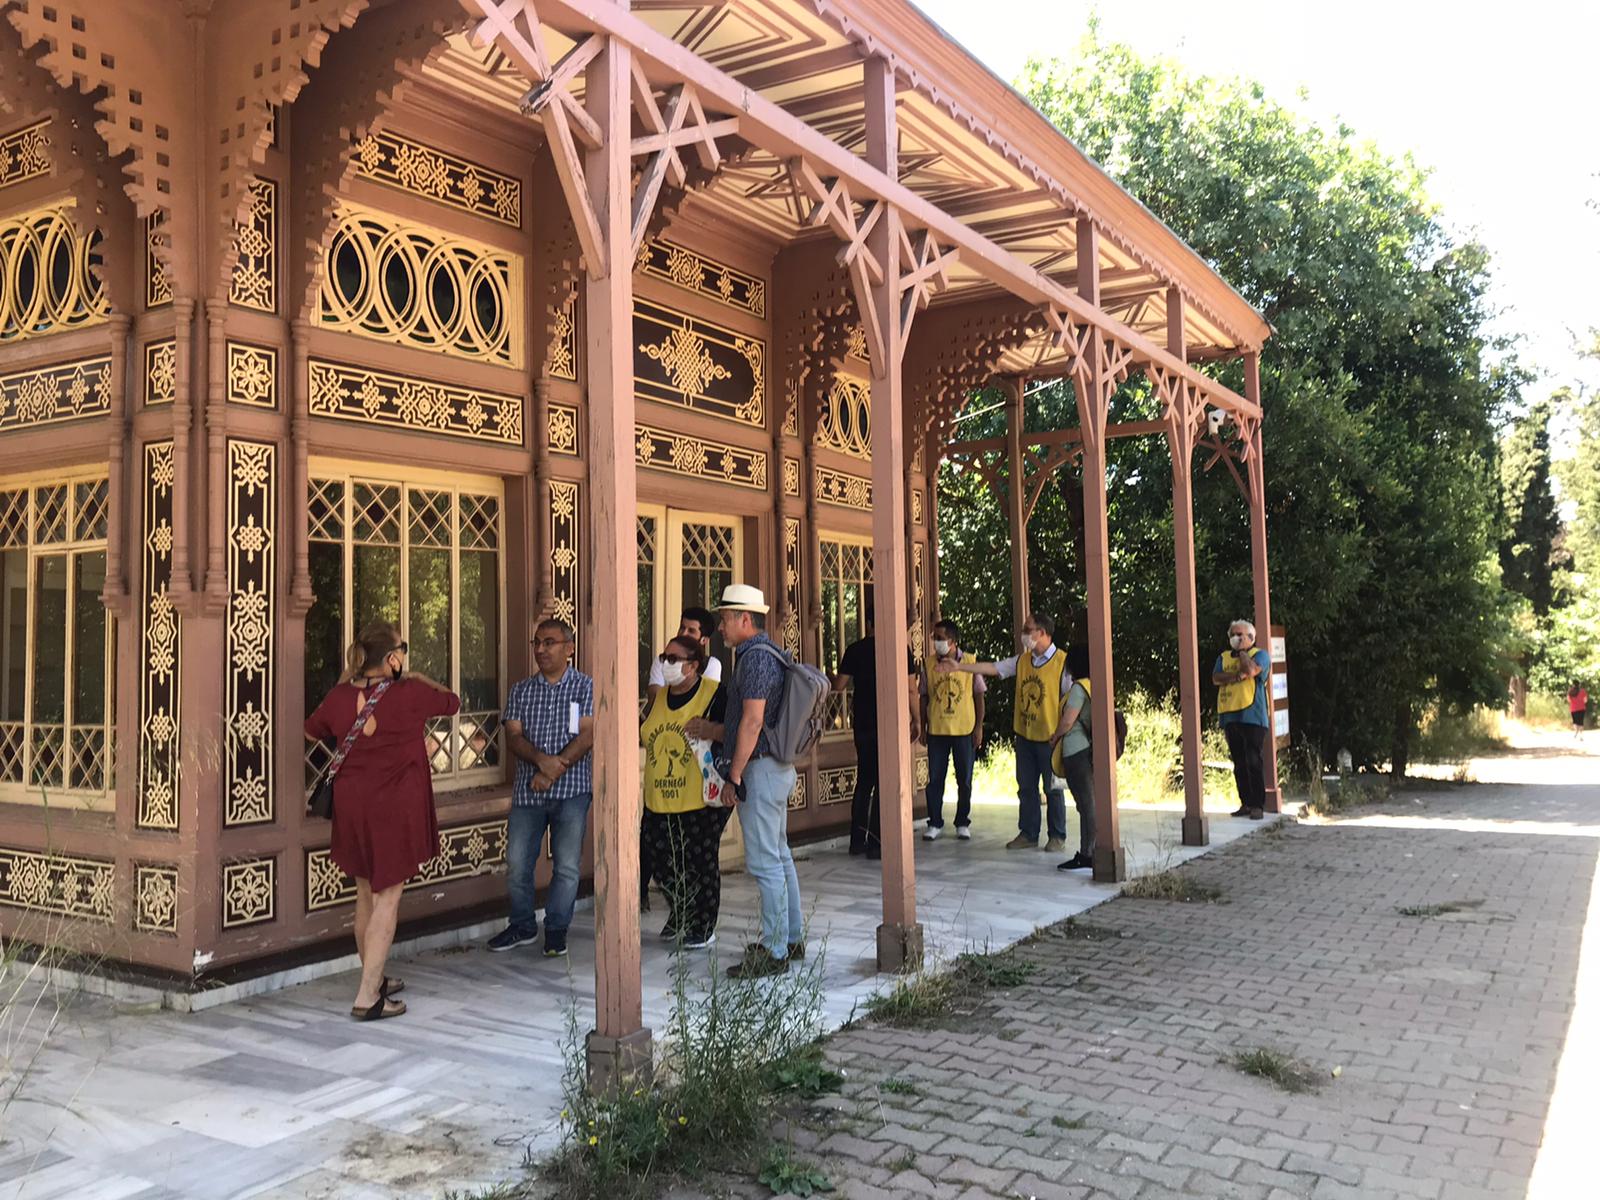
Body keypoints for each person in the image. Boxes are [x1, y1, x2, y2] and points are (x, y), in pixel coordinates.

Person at [304, 622, 461, 1021]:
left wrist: (347, 682)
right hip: (395, 806)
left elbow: (312, 730)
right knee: (387, 898)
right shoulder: (410, 692)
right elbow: (453, 702)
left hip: (353, 806)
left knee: (365, 894)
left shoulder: (340, 696)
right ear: (392, 658)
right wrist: (418, 676)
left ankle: (372, 977)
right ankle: (368, 995)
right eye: (401, 650)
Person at [700, 583, 804, 978]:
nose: (721, 627)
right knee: (780, 855)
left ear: (745, 619)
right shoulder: (767, 653)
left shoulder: (756, 658)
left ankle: (775, 950)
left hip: (759, 769)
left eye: (725, 619)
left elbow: (752, 721)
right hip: (775, 768)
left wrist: (735, 775)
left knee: (765, 863)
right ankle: (790, 939)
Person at [489, 618, 595, 958]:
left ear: (569, 648)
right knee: (518, 863)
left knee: (566, 866)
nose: (540, 649)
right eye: (537, 642)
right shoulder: (521, 690)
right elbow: (513, 736)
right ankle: (522, 925)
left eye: (549, 642)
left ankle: (556, 930)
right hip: (528, 793)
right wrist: (541, 762)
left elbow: (588, 735)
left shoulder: (586, 687)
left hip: (572, 792)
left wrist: (552, 772)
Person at [938, 613, 1073, 851]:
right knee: (1026, 788)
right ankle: (1028, 833)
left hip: (1051, 738)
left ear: (1042, 633)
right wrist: (960, 667)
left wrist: (1063, 732)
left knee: (1053, 788)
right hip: (1025, 735)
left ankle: (1057, 836)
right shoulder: (1022, 660)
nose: (1023, 634)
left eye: (1028, 629)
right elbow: (993, 667)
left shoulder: (1063, 662)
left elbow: (1071, 700)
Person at [640, 634, 732, 949]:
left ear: (693, 666)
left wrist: (712, 730)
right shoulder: (659, 698)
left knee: (700, 862)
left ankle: (703, 925)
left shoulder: (714, 693)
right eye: (664, 658)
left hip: (701, 797)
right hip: (659, 797)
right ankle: (682, 910)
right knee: (658, 859)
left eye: (673, 659)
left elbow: (738, 733)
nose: (666, 664)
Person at [832, 612, 919, 859]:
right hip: (890, 724)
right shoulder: (900, 649)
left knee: (864, 782)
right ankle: (877, 843)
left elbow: (839, 686)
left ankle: (857, 840)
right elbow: (911, 689)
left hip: (863, 724)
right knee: (884, 783)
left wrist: (826, 676)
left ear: (869, 623)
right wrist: (917, 719)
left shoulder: (855, 649)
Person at [919, 618, 985, 840]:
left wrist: (979, 727)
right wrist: (922, 724)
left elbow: (979, 695)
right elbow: (923, 695)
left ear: (952, 641)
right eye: (934, 637)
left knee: (964, 780)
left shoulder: (970, 662)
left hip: (964, 729)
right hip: (937, 730)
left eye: (940, 638)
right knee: (935, 779)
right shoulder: (928, 664)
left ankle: (962, 822)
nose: (935, 641)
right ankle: (934, 822)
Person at [1213, 618, 1271, 820]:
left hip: (1253, 716)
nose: (1236, 638)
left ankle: (1257, 805)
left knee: (1253, 760)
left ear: (1251, 637)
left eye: (1240, 635)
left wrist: (1243, 653)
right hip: (1230, 715)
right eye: (1233, 635)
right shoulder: (1223, 657)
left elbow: (1251, 670)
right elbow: (1216, 678)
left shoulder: (1260, 655)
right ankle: (1245, 802)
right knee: (1239, 762)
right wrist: (1237, 677)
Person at [1050, 643, 1095, 871]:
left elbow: (1068, 720)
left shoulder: (1078, 689)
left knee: (1086, 805)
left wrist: (1055, 736)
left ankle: (1089, 853)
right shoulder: (1093, 685)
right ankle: (1089, 851)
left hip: (1076, 751)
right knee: (1088, 804)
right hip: (1088, 749)